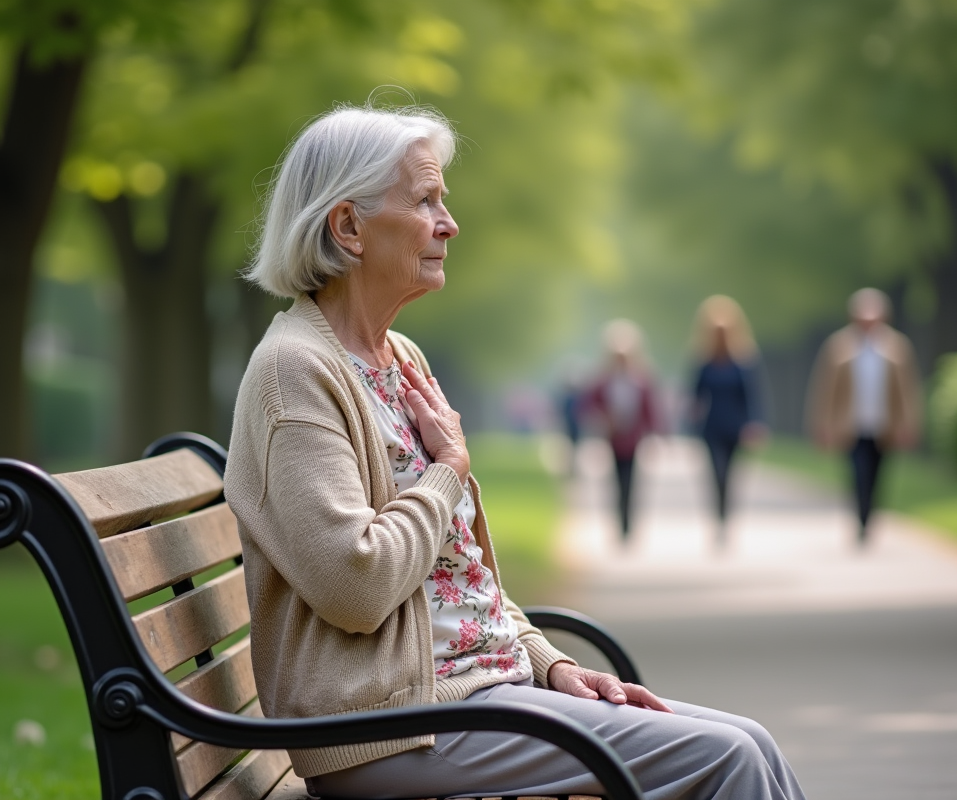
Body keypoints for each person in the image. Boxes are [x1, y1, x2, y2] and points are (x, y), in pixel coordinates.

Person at [224, 103, 805, 800]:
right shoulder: (295, 371)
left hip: (473, 697)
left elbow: (458, 576)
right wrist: (447, 474)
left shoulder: (397, 357)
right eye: (427, 201)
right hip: (393, 726)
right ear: (348, 227)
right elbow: (356, 585)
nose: (449, 222)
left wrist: (550, 662)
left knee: (753, 744)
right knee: (725, 761)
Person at [806, 288, 922, 547]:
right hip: (851, 425)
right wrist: (822, 423)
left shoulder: (896, 347)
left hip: (884, 425)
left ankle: (869, 519)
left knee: (878, 476)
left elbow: (908, 390)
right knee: (858, 473)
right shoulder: (839, 346)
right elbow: (825, 388)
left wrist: (909, 424)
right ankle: (860, 520)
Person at [689, 296, 767, 547]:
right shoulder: (704, 362)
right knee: (716, 473)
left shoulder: (744, 361)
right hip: (711, 427)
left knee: (731, 475)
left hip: (735, 427)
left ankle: (726, 519)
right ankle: (718, 518)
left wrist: (755, 424)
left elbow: (753, 396)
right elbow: (695, 395)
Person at [579, 320, 662, 544]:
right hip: (613, 438)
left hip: (634, 439)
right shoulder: (603, 382)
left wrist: (655, 435)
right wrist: (604, 419)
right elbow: (589, 406)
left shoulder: (641, 381)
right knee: (616, 481)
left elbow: (650, 410)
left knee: (631, 480)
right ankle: (619, 522)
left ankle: (628, 522)